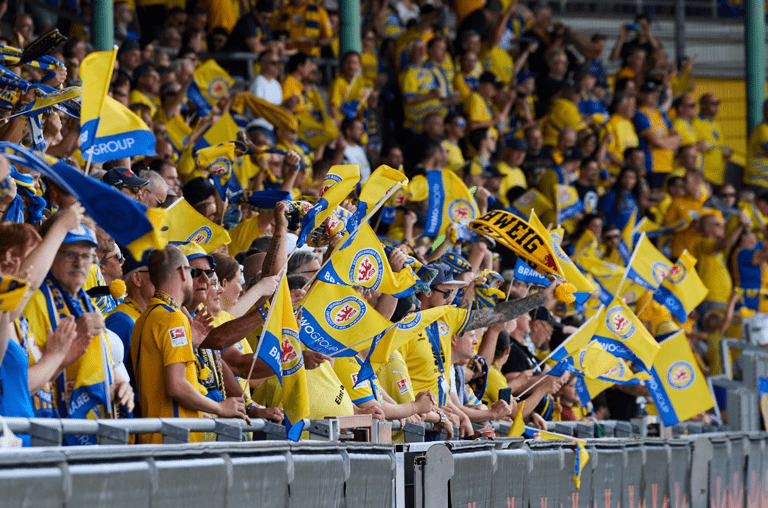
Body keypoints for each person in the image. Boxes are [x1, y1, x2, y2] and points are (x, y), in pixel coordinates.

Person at [23, 219, 134, 443]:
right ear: (51, 252)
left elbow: (100, 365)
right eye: (70, 254)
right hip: (50, 435)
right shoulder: (33, 302)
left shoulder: (87, 303)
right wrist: (77, 334)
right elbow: (25, 381)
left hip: (91, 432)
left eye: (86, 255)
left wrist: (121, 384)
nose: (79, 262)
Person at [130, 245, 250, 443]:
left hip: (157, 437)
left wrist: (192, 346)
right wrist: (220, 408)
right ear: (182, 274)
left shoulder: (146, 317)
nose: (204, 280)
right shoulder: (172, 318)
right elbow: (176, 386)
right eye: (194, 272)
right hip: (175, 441)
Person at [633, 80, 681, 189]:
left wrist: (662, 143)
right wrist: (668, 143)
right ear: (642, 95)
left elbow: (678, 137)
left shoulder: (660, 112)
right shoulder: (640, 114)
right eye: (650, 93)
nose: (655, 95)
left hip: (668, 165)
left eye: (656, 92)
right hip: (652, 167)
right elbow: (656, 141)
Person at [693, 94, 733, 187]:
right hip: (704, 176)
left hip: (719, 178)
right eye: (713, 103)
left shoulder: (716, 124)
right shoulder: (695, 123)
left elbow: (720, 147)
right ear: (703, 105)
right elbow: (692, 147)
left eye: (717, 103)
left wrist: (727, 154)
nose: (716, 106)